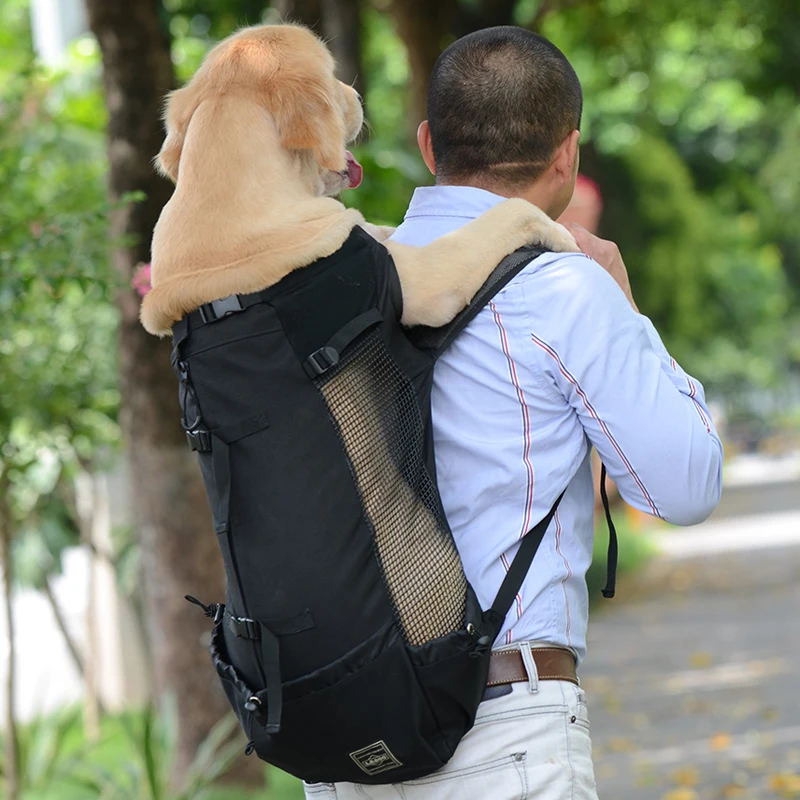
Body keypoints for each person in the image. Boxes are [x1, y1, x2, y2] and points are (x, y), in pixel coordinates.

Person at [325, 26, 724, 800]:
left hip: (348, 742)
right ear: (568, 154)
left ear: (429, 142)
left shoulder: (353, 279)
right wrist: (625, 303)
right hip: (502, 731)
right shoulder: (565, 290)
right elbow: (686, 484)